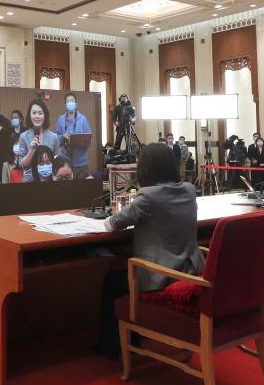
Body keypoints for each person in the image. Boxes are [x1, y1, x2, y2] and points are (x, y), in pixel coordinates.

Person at [96, 142, 204, 358]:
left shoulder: (148, 196)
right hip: (189, 270)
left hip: (160, 278)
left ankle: (114, 346)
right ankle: (132, 337)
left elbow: (112, 224)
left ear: (145, 168)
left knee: (111, 282)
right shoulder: (189, 190)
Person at [19, 98, 60, 182]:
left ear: (45, 116)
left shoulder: (53, 137)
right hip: (29, 181)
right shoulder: (23, 136)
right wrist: (31, 150)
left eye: (40, 113)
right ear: (29, 115)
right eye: (34, 113)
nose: (37, 116)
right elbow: (21, 165)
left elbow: (58, 161)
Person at [55, 93, 92, 178]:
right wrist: (62, 137)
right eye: (68, 101)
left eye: (72, 101)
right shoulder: (60, 119)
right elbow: (56, 140)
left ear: (76, 104)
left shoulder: (83, 119)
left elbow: (89, 140)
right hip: (64, 163)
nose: (70, 103)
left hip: (81, 163)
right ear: (65, 105)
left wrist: (81, 140)